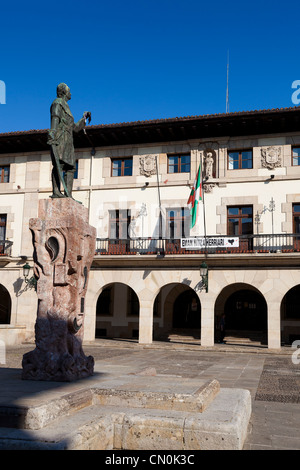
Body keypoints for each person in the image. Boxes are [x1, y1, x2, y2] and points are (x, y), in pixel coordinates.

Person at [47, 83, 91, 198]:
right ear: (64, 92)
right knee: (59, 165)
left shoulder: (66, 106)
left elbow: (75, 128)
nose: (70, 93)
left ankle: (68, 195)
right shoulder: (57, 103)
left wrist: (84, 118)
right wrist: (52, 135)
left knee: (71, 167)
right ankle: (56, 191)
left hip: (68, 141)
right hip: (60, 138)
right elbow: (55, 119)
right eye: (69, 90)